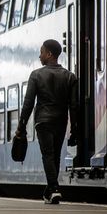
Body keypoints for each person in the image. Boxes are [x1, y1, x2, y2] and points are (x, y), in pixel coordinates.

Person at [14, 39, 78, 204]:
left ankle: (54, 189)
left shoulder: (36, 75)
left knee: (48, 155)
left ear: (49, 54)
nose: (39, 55)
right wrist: (75, 128)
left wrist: (21, 126)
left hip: (43, 121)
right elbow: (74, 106)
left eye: (41, 52)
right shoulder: (70, 77)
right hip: (60, 121)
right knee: (55, 155)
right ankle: (50, 190)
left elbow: (28, 104)